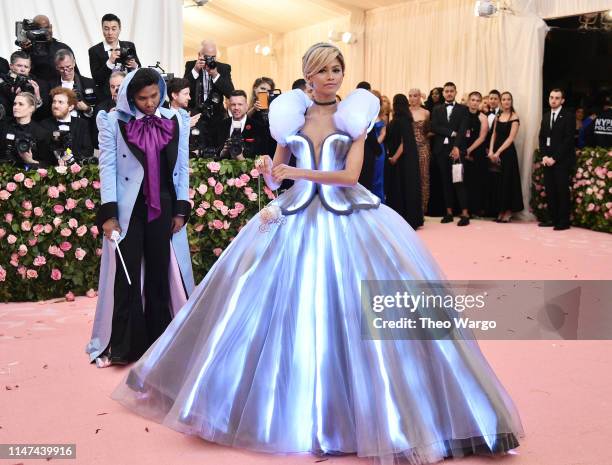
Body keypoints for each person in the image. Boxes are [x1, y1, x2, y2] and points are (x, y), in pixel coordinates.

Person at [112, 42, 523, 463]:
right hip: (296, 216)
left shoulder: (355, 116)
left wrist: (297, 173)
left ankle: (427, 414)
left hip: (350, 218)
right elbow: (276, 179)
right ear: (308, 75)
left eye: (337, 69)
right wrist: (268, 174)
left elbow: (350, 176)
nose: (331, 77)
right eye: (323, 70)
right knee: (265, 310)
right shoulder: (290, 115)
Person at [86, 68, 194, 367]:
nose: (149, 103)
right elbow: (107, 168)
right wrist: (108, 213)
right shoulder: (113, 122)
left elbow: (181, 167)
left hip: (164, 205)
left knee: (160, 274)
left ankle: (162, 341)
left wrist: (181, 208)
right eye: (142, 98)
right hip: (128, 208)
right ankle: (125, 345)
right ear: (129, 97)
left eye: (154, 96)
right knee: (127, 274)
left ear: (161, 91)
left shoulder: (175, 121)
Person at [431, 82, 470, 226]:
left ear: (455, 92)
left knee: (459, 181)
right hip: (441, 151)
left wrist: (456, 146)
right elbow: (434, 126)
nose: (448, 93)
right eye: (446, 91)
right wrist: (450, 132)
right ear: (443, 93)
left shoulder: (463, 109)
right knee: (445, 181)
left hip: (457, 150)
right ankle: (448, 213)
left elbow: (463, 128)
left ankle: (465, 214)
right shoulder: (437, 109)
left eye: (451, 91)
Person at [538, 89, 575, 231]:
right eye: (551, 97)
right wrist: (544, 156)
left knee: (561, 190)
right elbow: (542, 137)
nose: (553, 100)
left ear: (562, 101)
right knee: (551, 190)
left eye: (557, 98)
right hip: (547, 160)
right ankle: (552, 219)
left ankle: (563, 221)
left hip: (562, 161)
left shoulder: (568, 116)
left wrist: (555, 158)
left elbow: (568, 140)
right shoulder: (546, 116)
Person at [385, 93, 424, 228]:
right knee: (406, 188)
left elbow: (404, 142)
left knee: (402, 187)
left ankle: (404, 219)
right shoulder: (405, 119)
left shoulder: (402, 120)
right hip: (405, 160)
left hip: (402, 160)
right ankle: (409, 218)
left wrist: (394, 157)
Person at [488, 91, 523, 222]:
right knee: (498, 182)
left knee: (508, 181)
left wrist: (498, 153)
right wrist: (491, 151)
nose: (506, 101)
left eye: (509, 99)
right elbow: (494, 134)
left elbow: (510, 138)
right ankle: (500, 210)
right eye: (504, 99)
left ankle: (508, 211)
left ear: (511, 101)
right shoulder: (498, 115)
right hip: (495, 151)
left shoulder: (514, 117)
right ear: (501, 102)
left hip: (507, 153)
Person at [88, 13, 141, 100]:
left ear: (119, 29)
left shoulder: (129, 46)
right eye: (106, 29)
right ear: (102, 29)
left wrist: (135, 66)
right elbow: (97, 79)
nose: (110, 33)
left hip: (130, 93)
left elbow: (139, 70)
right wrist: (110, 62)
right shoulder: (94, 51)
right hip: (107, 97)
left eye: (113, 29)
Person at [17, 15, 78, 82]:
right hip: (40, 90)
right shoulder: (28, 50)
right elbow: (22, 73)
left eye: (47, 27)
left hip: (61, 90)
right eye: (41, 29)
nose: (46, 31)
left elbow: (75, 74)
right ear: (34, 31)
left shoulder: (63, 48)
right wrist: (25, 51)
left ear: (51, 26)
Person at [41, 87, 94, 163]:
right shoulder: (44, 125)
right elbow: (43, 153)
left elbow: (88, 151)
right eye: (54, 102)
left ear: (70, 107)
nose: (56, 106)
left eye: (60, 102)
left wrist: (72, 159)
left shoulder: (82, 124)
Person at [212, 90, 270, 159]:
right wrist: (222, 153)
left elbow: (263, 156)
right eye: (233, 104)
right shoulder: (221, 125)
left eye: (240, 104)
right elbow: (214, 151)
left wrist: (242, 159)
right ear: (229, 106)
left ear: (246, 106)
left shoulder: (259, 128)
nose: (236, 108)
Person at [0, 92, 52, 167]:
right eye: (15, 104)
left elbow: (47, 164)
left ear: (31, 108)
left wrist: (30, 161)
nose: (16, 107)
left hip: (29, 175)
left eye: (20, 104)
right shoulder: (3, 126)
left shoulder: (41, 132)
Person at [463, 91, 489, 217]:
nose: (474, 103)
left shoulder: (483, 117)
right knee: (463, 181)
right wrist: (463, 149)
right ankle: (464, 209)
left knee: (476, 181)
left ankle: (476, 209)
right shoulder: (462, 114)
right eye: (472, 100)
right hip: (462, 150)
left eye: (477, 101)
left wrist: (469, 150)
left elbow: (482, 137)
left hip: (477, 152)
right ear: (468, 101)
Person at [408, 88, 432, 213]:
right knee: (410, 177)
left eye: (415, 96)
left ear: (420, 97)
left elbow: (429, 131)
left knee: (424, 177)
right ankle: (412, 207)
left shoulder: (426, 113)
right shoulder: (406, 112)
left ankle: (423, 208)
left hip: (423, 148)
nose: (412, 98)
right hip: (408, 150)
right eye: (410, 96)